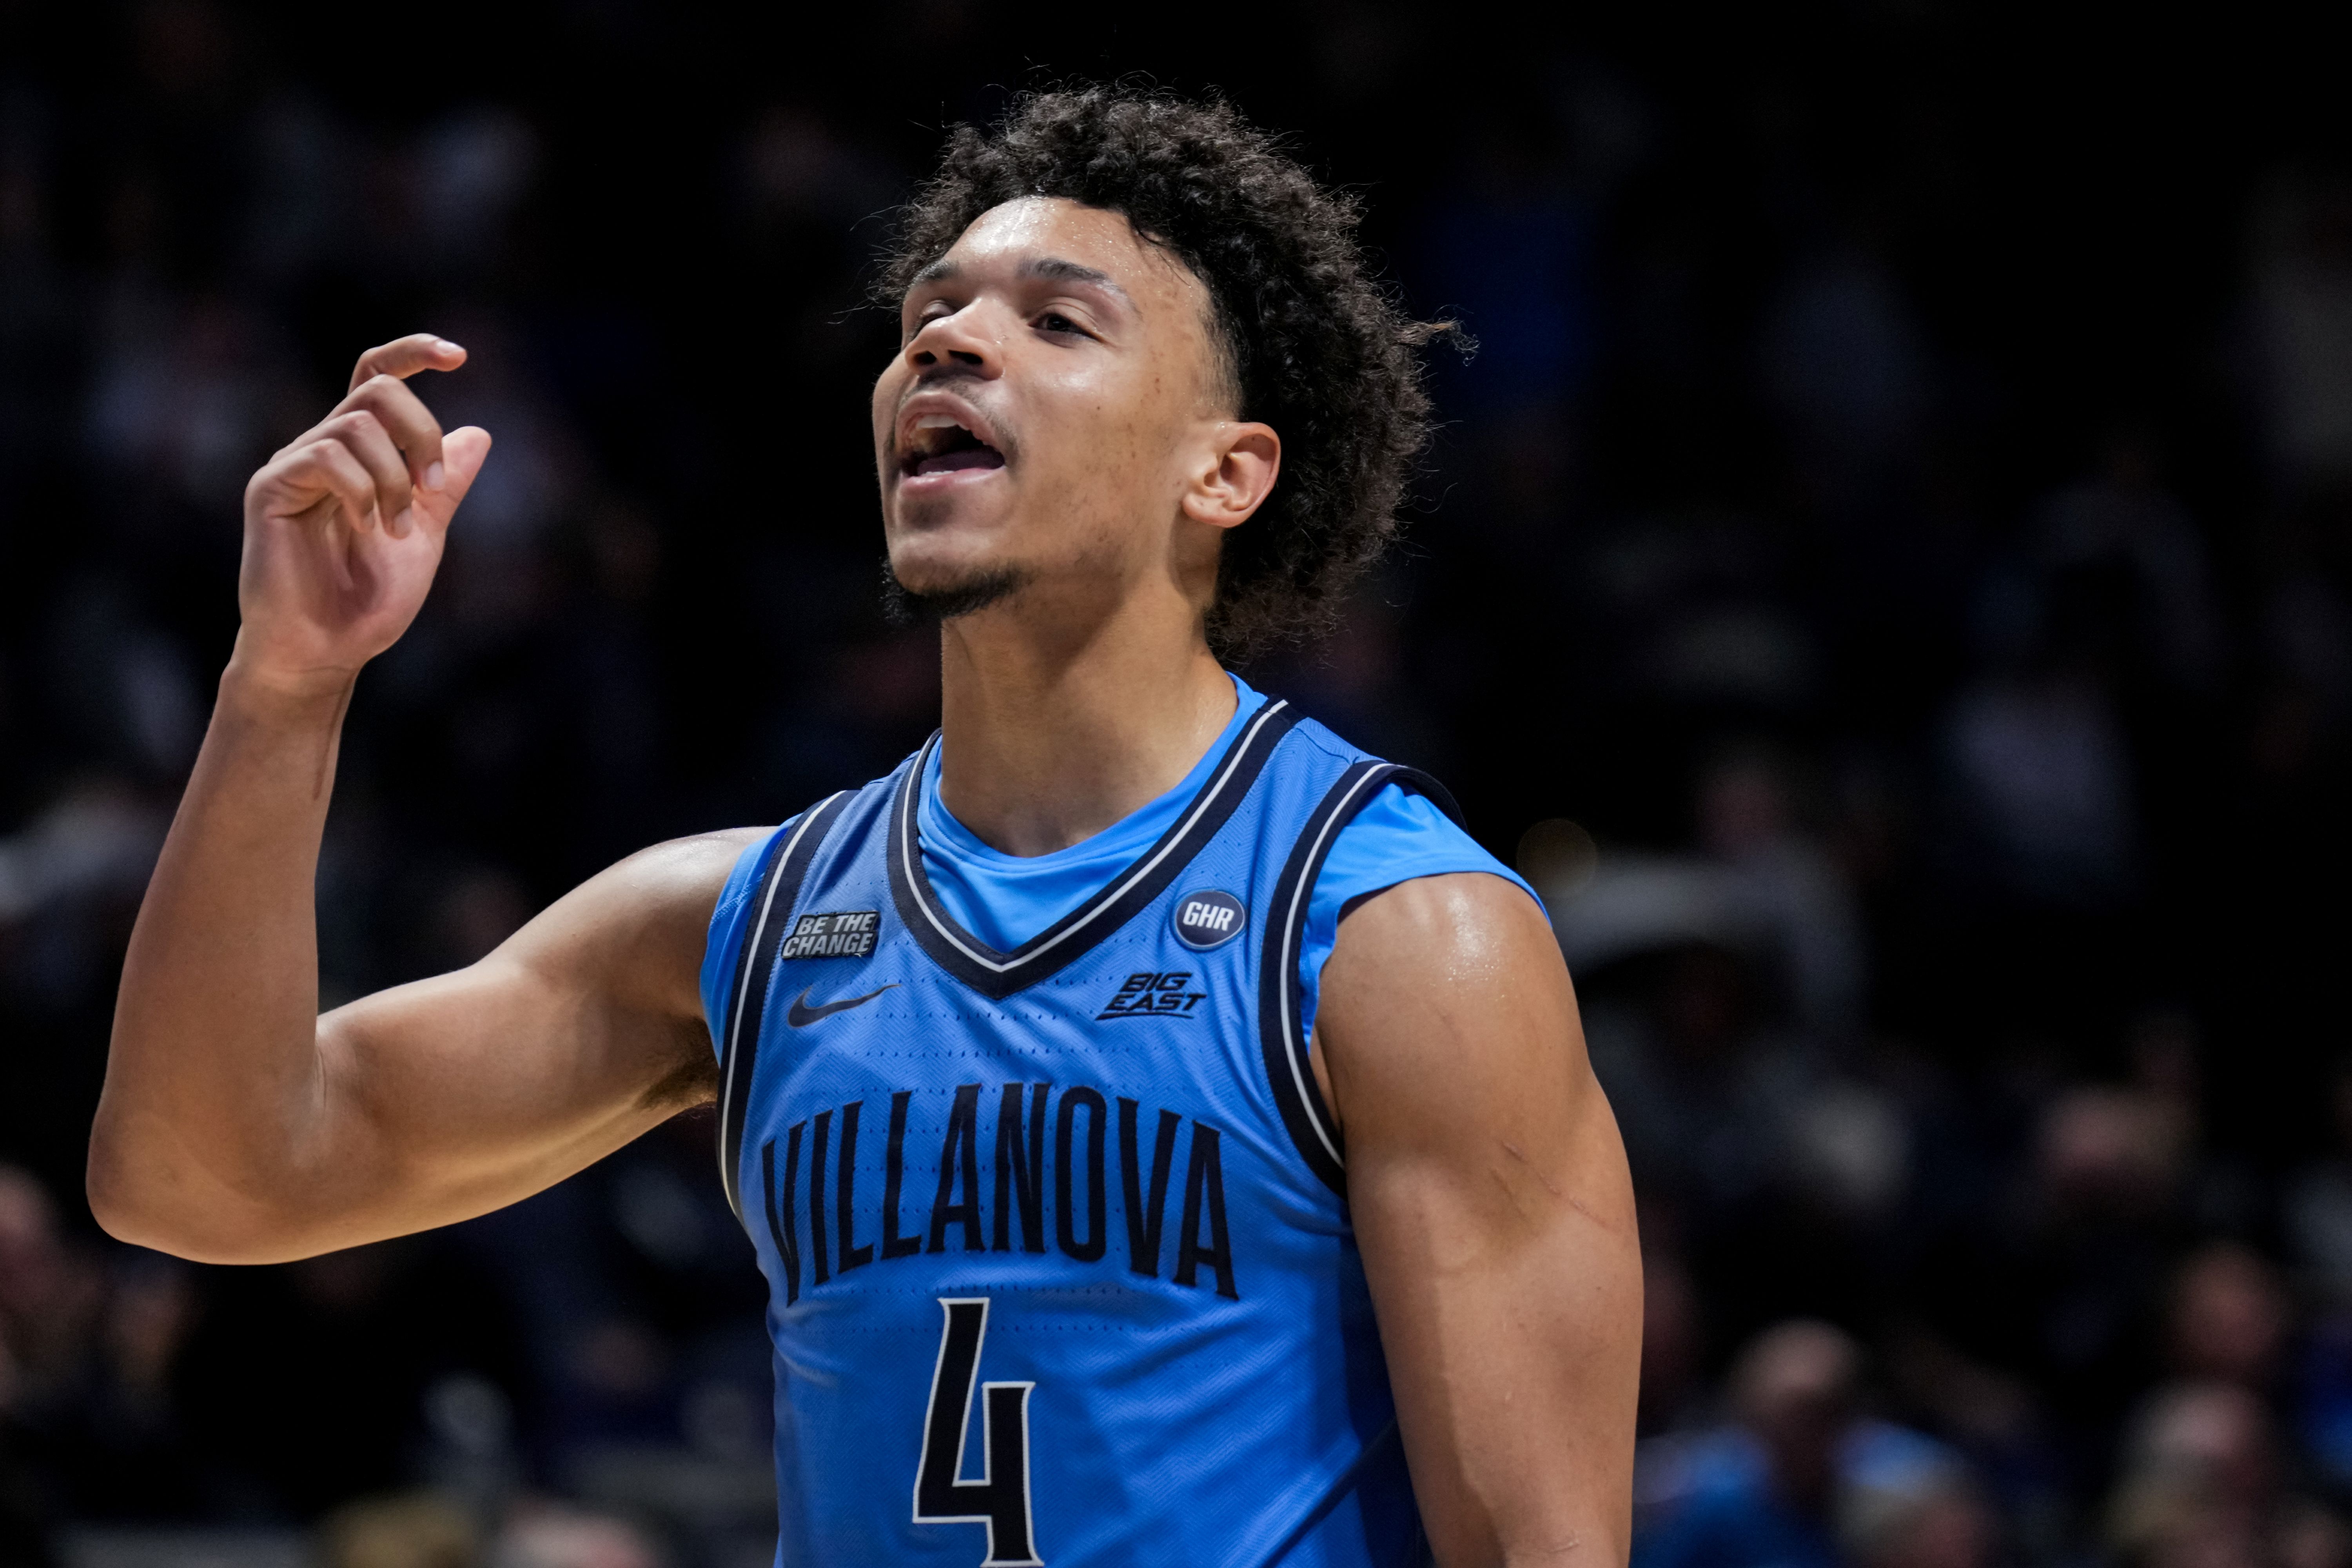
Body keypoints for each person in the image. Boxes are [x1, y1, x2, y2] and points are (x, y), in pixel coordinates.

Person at [89, 88, 1641, 1566]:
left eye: (1055, 319)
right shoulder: (740, 924)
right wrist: (286, 685)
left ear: (1222, 472)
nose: (950, 340)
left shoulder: (1399, 938)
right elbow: (206, 1175)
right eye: (929, 319)